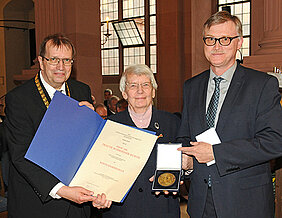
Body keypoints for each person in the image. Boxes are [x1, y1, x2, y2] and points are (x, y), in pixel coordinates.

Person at [177, 11, 282, 218]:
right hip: (200, 202)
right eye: (210, 39)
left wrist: (217, 153)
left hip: (245, 202)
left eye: (225, 39)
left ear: (239, 42)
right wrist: (185, 160)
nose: (216, 46)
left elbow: (275, 141)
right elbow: (185, 137)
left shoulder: (262, 85)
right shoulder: (192, 86)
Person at [4, 33, 111, 218]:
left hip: (79, 204)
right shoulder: (18, 99)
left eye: (67, 60)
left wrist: (93, 122)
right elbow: (20, 155)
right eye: (54, 59)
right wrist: (62, 190)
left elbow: (88, 146)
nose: (61, 67)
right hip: (37, 203)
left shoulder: (81, 90)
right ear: (41, 61)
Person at [102, 64, 180, 218]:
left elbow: (186, 163)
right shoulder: (109, 126)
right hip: (122, 211)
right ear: (124, 93)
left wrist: (182, 173)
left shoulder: (173, 123)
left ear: (153, 91)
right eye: (133, 86)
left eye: (145, 84)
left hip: (163, 210)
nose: (140, 91)